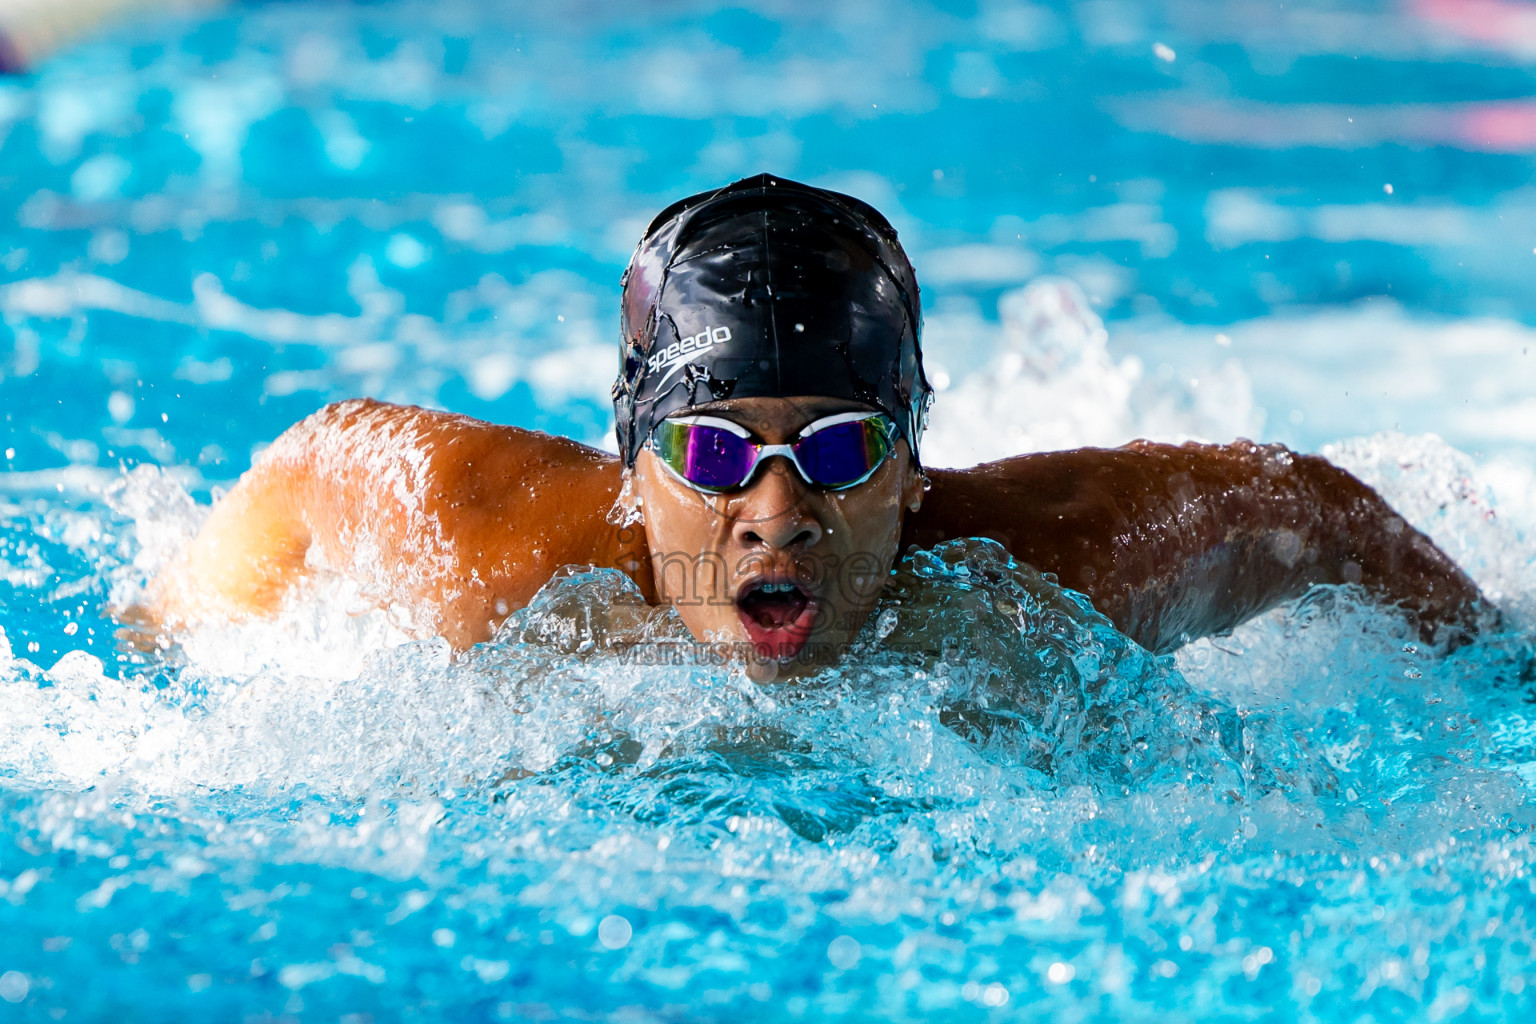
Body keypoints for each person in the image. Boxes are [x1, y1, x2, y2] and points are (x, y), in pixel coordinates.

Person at [143, 174, 1487, 673]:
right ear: (632, 465)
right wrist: (173, 632)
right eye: (714, 453)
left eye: (843, 450)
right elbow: (313, 464)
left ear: (915, 469)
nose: (778, 511)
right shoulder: (493, 552)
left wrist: (1503, 671)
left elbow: (1317, 511)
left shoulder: (1059, 568)